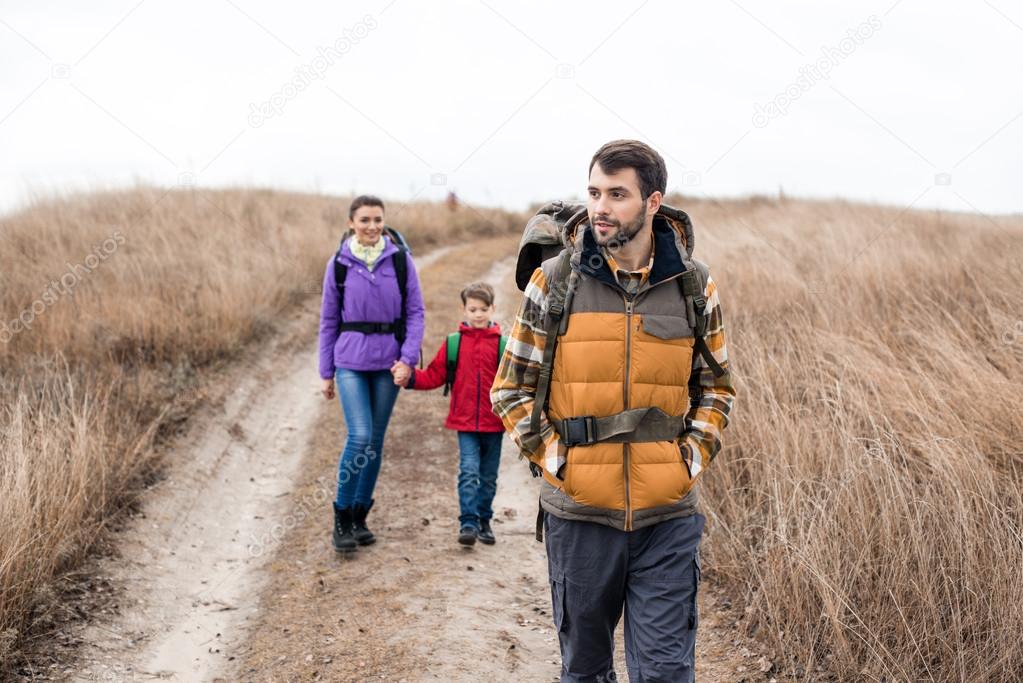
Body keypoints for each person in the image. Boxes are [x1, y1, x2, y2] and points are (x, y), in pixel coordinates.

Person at [491, 140, 736, 682]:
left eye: (617, 194)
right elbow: (510, 389)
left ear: (652, 202)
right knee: (585, 670)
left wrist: (688, 462)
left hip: (667, 516)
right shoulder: (553, 281)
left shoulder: (694, 285)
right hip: (580, 516)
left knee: (666, 672)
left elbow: (716, 387)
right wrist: (558, 462)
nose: (600, 206)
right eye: (595, 192)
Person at [318, 195, 425, 553]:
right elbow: (328, 321)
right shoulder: (338, 264)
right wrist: (325, 372)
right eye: (364, 220)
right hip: (349, 362)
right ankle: (342, 516)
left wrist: (408, 359)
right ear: (351, 222)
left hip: (389, 365)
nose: (372, 226)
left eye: (377, 219)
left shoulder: (400, 261)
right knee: (360, 436)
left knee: (375, 442)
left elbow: (416, 313)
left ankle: (361, 517)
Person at [395, 282, 507, 547]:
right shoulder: (454, 343)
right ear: (464, 310)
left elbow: (515, 383)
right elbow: (435, 375)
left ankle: (484, 521)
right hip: (465, 422)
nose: (478, 314)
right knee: (468, 472)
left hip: (495, 424)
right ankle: (467, 523)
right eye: (473, 309)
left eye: (483, 309)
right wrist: (410, 379)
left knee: (489, 477)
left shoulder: (504, 345)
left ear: (493, 309)